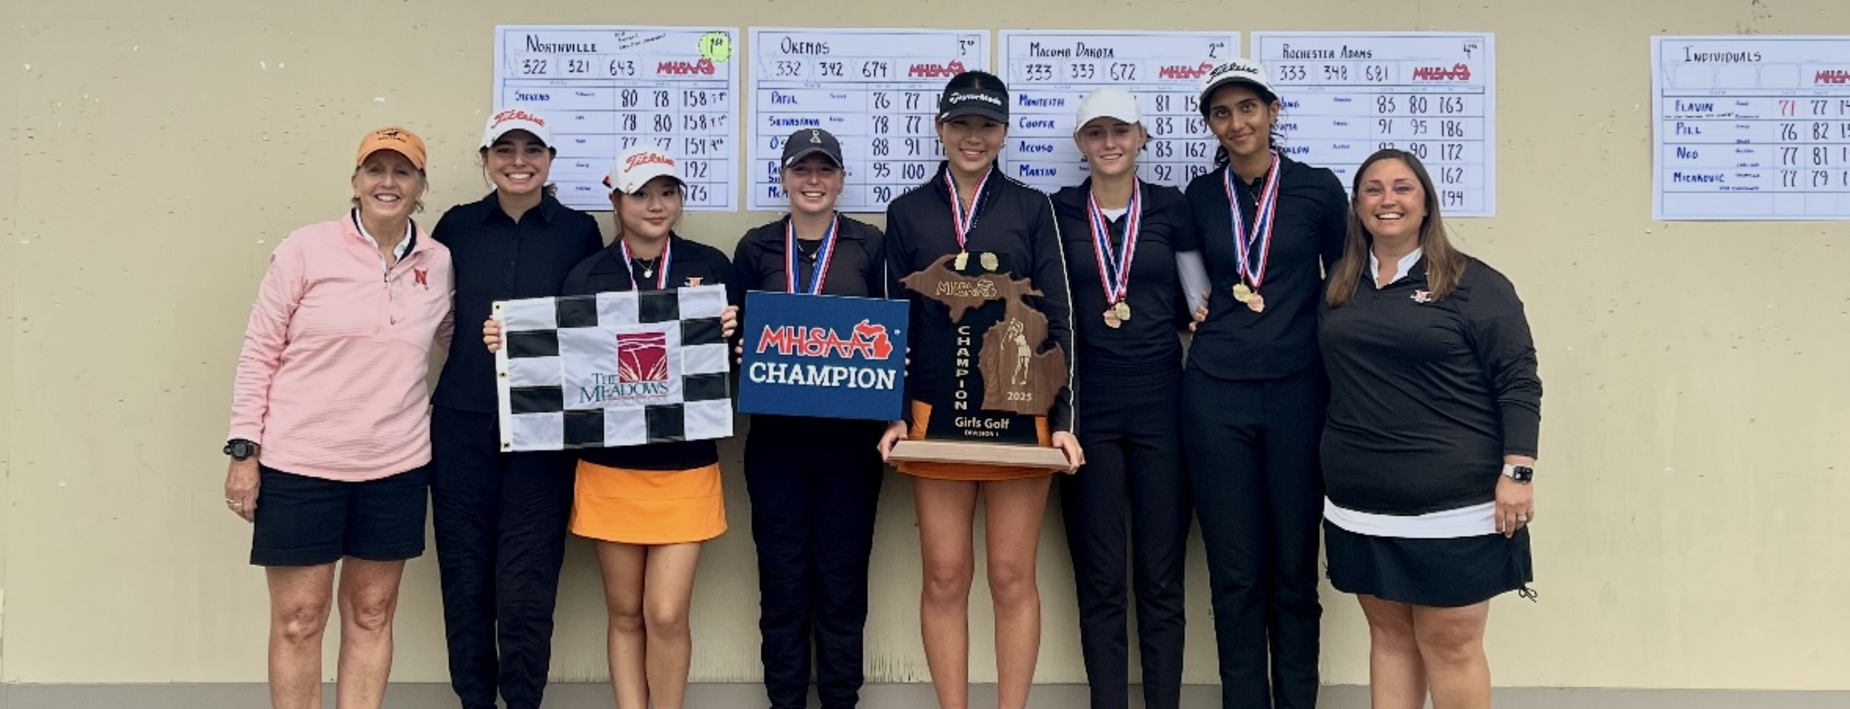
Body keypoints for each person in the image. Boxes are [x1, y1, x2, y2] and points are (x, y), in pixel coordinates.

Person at [487, 145, 738, 709]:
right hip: (609, 468)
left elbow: (746, 357)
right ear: (615, 200)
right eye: (641, 193)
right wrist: (514, 344)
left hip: (686, 465)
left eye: (667, 192)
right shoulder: (586, 274)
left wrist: (732, 329)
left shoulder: (712, 266)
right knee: (625, 613)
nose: (655, 205)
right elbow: (562, 366)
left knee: (666, 612)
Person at [223, 126, 452, 709]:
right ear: (354, 182)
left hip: (396, 465)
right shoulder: (305, 249)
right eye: (375, 170)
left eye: (402, 172)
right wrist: (244, 451)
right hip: (302, 464)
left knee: (372, 613)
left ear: (421, 187)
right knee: (300, 619)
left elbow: (456, 339)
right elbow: (259, 351)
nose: (388, 182)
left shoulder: (439, 261)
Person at [878, 70, 1084, 709]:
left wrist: (1068, 417)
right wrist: (888, 414)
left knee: (1010, 577)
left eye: (987, 125)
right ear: (939, 128)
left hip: (1020, 416)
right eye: (961, 123)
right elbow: (893, 321)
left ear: (1003, 132)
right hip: (933, 420)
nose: (974, 137)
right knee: (944, 578)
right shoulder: (907, 210)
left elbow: (1063, 315)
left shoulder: (1031, 206)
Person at [1318, 148, 1541, 709]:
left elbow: (1518, 381)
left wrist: (1518, 472)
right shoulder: (1340, 286)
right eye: (1373, 189)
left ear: (1425, 204)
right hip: (1359, 501)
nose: (1387, 200)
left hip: (1456, 505)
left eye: (1402, 188)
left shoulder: (1473, 283)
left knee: (1450, 643)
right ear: (1357, 204)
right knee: (1390, 638)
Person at [1180, 60, 1349, 709]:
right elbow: (1190, 284)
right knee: (1235, 574)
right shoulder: (1200, 196)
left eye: (1248, 107)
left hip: (1298, 394)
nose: (1237, 122)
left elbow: (1342, 283)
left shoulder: (1316, 190)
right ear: (1212, 126)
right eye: (1222, 112)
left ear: (1272, 112)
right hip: (1216, 393)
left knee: (1292, 572)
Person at [427, 109, 604, 709]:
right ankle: (474, 700)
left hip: (545, 427)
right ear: (485, 161)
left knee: (528, 581)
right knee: (465, 574)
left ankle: (523, 699)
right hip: (462, 420)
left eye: (532, 150)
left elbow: (595, 328)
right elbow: (437, 313)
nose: (519, 161)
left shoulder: (578, 231)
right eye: (504, 150)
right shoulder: (455, 227)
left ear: (550, 160)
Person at [729, 128, 890, 709]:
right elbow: (729, 332)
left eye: (825, 170)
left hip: (850, 442)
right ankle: (786, 699)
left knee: (843, 579)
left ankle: (841, 698)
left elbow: (896, 337)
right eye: (803, 170)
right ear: (785, 177)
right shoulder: (756, 246)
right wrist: (741, 349)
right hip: (776, 442)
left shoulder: (869, 245)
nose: (814, 181)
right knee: (783, 579)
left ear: (842, 179)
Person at [1047, 87, 1197, 709]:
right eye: (1096, 132)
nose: (1110, 142)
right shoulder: (1057, 211)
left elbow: (1199, 300)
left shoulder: (1171, 207)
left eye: (1121, 131)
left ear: (1140, 138)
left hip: (1165, 405)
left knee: (1161, 579)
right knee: (1100, 579)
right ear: (1081, 145)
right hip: (1087, 411)